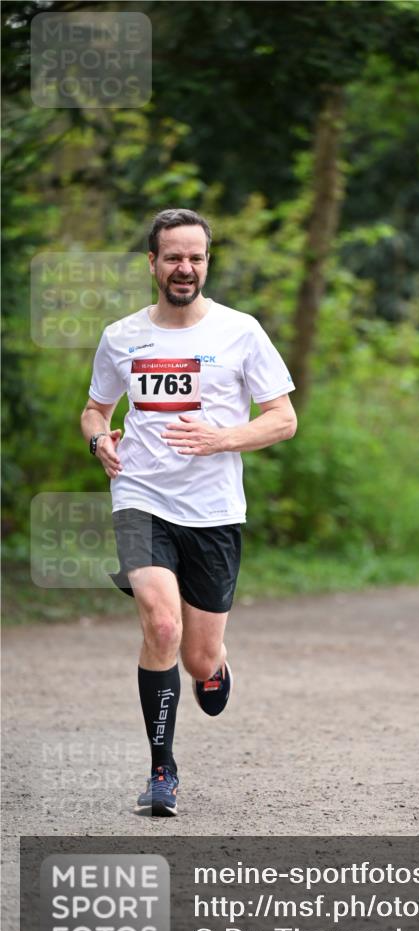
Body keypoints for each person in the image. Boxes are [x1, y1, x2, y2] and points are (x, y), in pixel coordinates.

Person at [81, 208, 297, 816]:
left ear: (207, 262)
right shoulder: (122, 336)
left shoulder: (241, 331)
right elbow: (95, 409)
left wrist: (219, 437)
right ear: (152, 263)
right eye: (173, 257)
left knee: (198, 655)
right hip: (141, 497)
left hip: (214, 511)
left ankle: (213, 667)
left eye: (195, 257)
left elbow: (283, 419)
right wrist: (99, 440)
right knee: (163, 627)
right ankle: (162, 772)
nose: (185, 268)